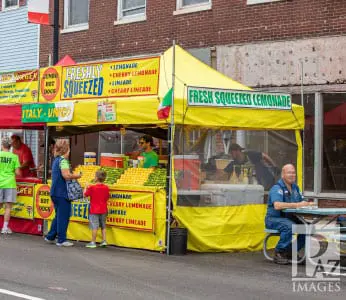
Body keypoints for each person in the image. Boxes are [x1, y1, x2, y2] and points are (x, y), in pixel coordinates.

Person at [265, 164, 312, 265]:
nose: (292, 175)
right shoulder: (276, 188)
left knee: (308, 227)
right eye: (289, 172)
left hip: (289, 218)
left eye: (294, 172)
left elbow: (302, 201)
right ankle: (279, 252)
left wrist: (308, 204)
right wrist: (297, 205)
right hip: (274, 219)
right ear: (283, 174)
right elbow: (277, 205)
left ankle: (290, 251)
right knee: (290, 226)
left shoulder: (295, 187)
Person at [45, 139, 81, 247]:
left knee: (58, 216)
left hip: (55, 192)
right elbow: (66, 175)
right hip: (62, 193)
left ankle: (50, 236)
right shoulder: (63, 161)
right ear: (66, 150)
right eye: (69, 149)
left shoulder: (56, 160)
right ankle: (61, 240)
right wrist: (77, 175)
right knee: (63, 216)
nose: (69, 151)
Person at [84, 170, 110, 248]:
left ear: (96, 178)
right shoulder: (106, 187)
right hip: (104, 209)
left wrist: (85, 187)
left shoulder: (92, 187)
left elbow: (85, 195)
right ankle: (104, 241)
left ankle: (93, 242)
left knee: (94, 226)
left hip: (94, 210)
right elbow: (107, 197)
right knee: (103, 225)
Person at [0, 137, 21, 234]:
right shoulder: (14, 157)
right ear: (10, 146)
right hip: (10, 183)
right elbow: (18, 172)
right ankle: (4, 228)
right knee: (8, 207)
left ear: (2, 145)